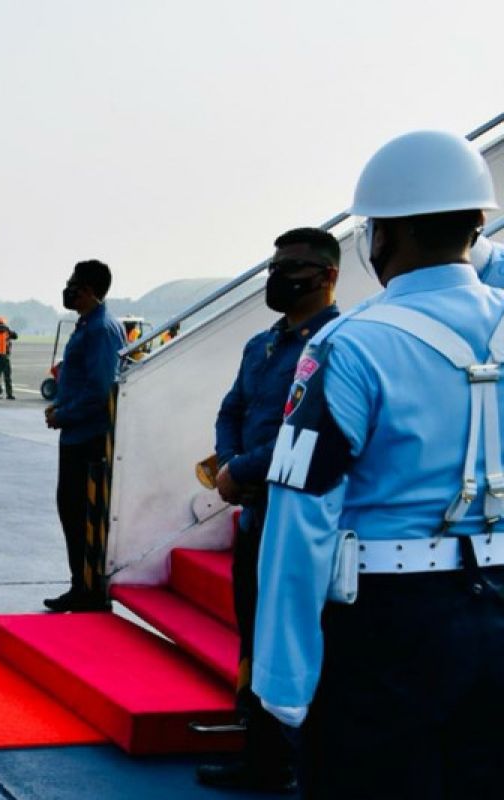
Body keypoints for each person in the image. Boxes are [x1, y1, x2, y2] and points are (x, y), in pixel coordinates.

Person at [253, 130, 504, 797]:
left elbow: (301, 519)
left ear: (384, 235)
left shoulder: (348, 346)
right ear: (477, 225)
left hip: (387, 631)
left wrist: (283, 685)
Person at [196, 228, 341, 794]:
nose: (280, 276)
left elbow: (303, 431)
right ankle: (260, 752)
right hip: (255, 516)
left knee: (298, 640)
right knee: (255, 638)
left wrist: (243, 471)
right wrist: (231, 465)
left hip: (299, 520)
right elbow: (233, 409)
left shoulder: (337, 342)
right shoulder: (261, 345)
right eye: (276, 265)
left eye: (295, 266)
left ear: (328, 275)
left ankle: (295, 756)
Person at [43, 260, 127, 612]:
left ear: (90, 289)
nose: (68, 289)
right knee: (73, 511)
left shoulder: (101, 330)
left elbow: (101, 389)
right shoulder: (89, 325)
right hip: (77, 436)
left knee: (81, 513)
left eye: (74, 284)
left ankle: (89, 589)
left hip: (88, 438)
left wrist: (64, 414)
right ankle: (82, 584)